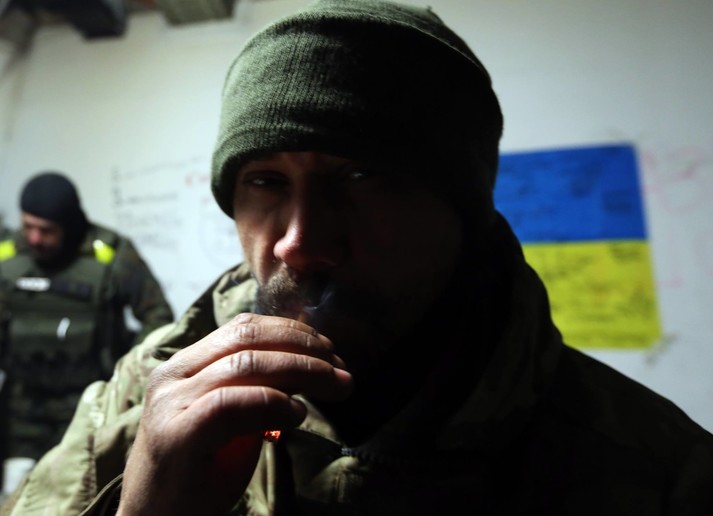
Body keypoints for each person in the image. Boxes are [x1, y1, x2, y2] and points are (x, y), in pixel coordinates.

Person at [3, 0, 713, 514]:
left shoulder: (654, 471)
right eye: (265, 181)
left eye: (363, 176)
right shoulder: (136, 401)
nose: (299, 240)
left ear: (462, 212)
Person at [0, 171, 174, 467]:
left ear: (69, 225)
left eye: (46, 230)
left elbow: (158, 315)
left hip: (90, 406)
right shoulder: (8, 254)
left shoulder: (110, 253)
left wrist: (128, 375)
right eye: (27, 226)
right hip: (22, 410)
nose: (34, 238)